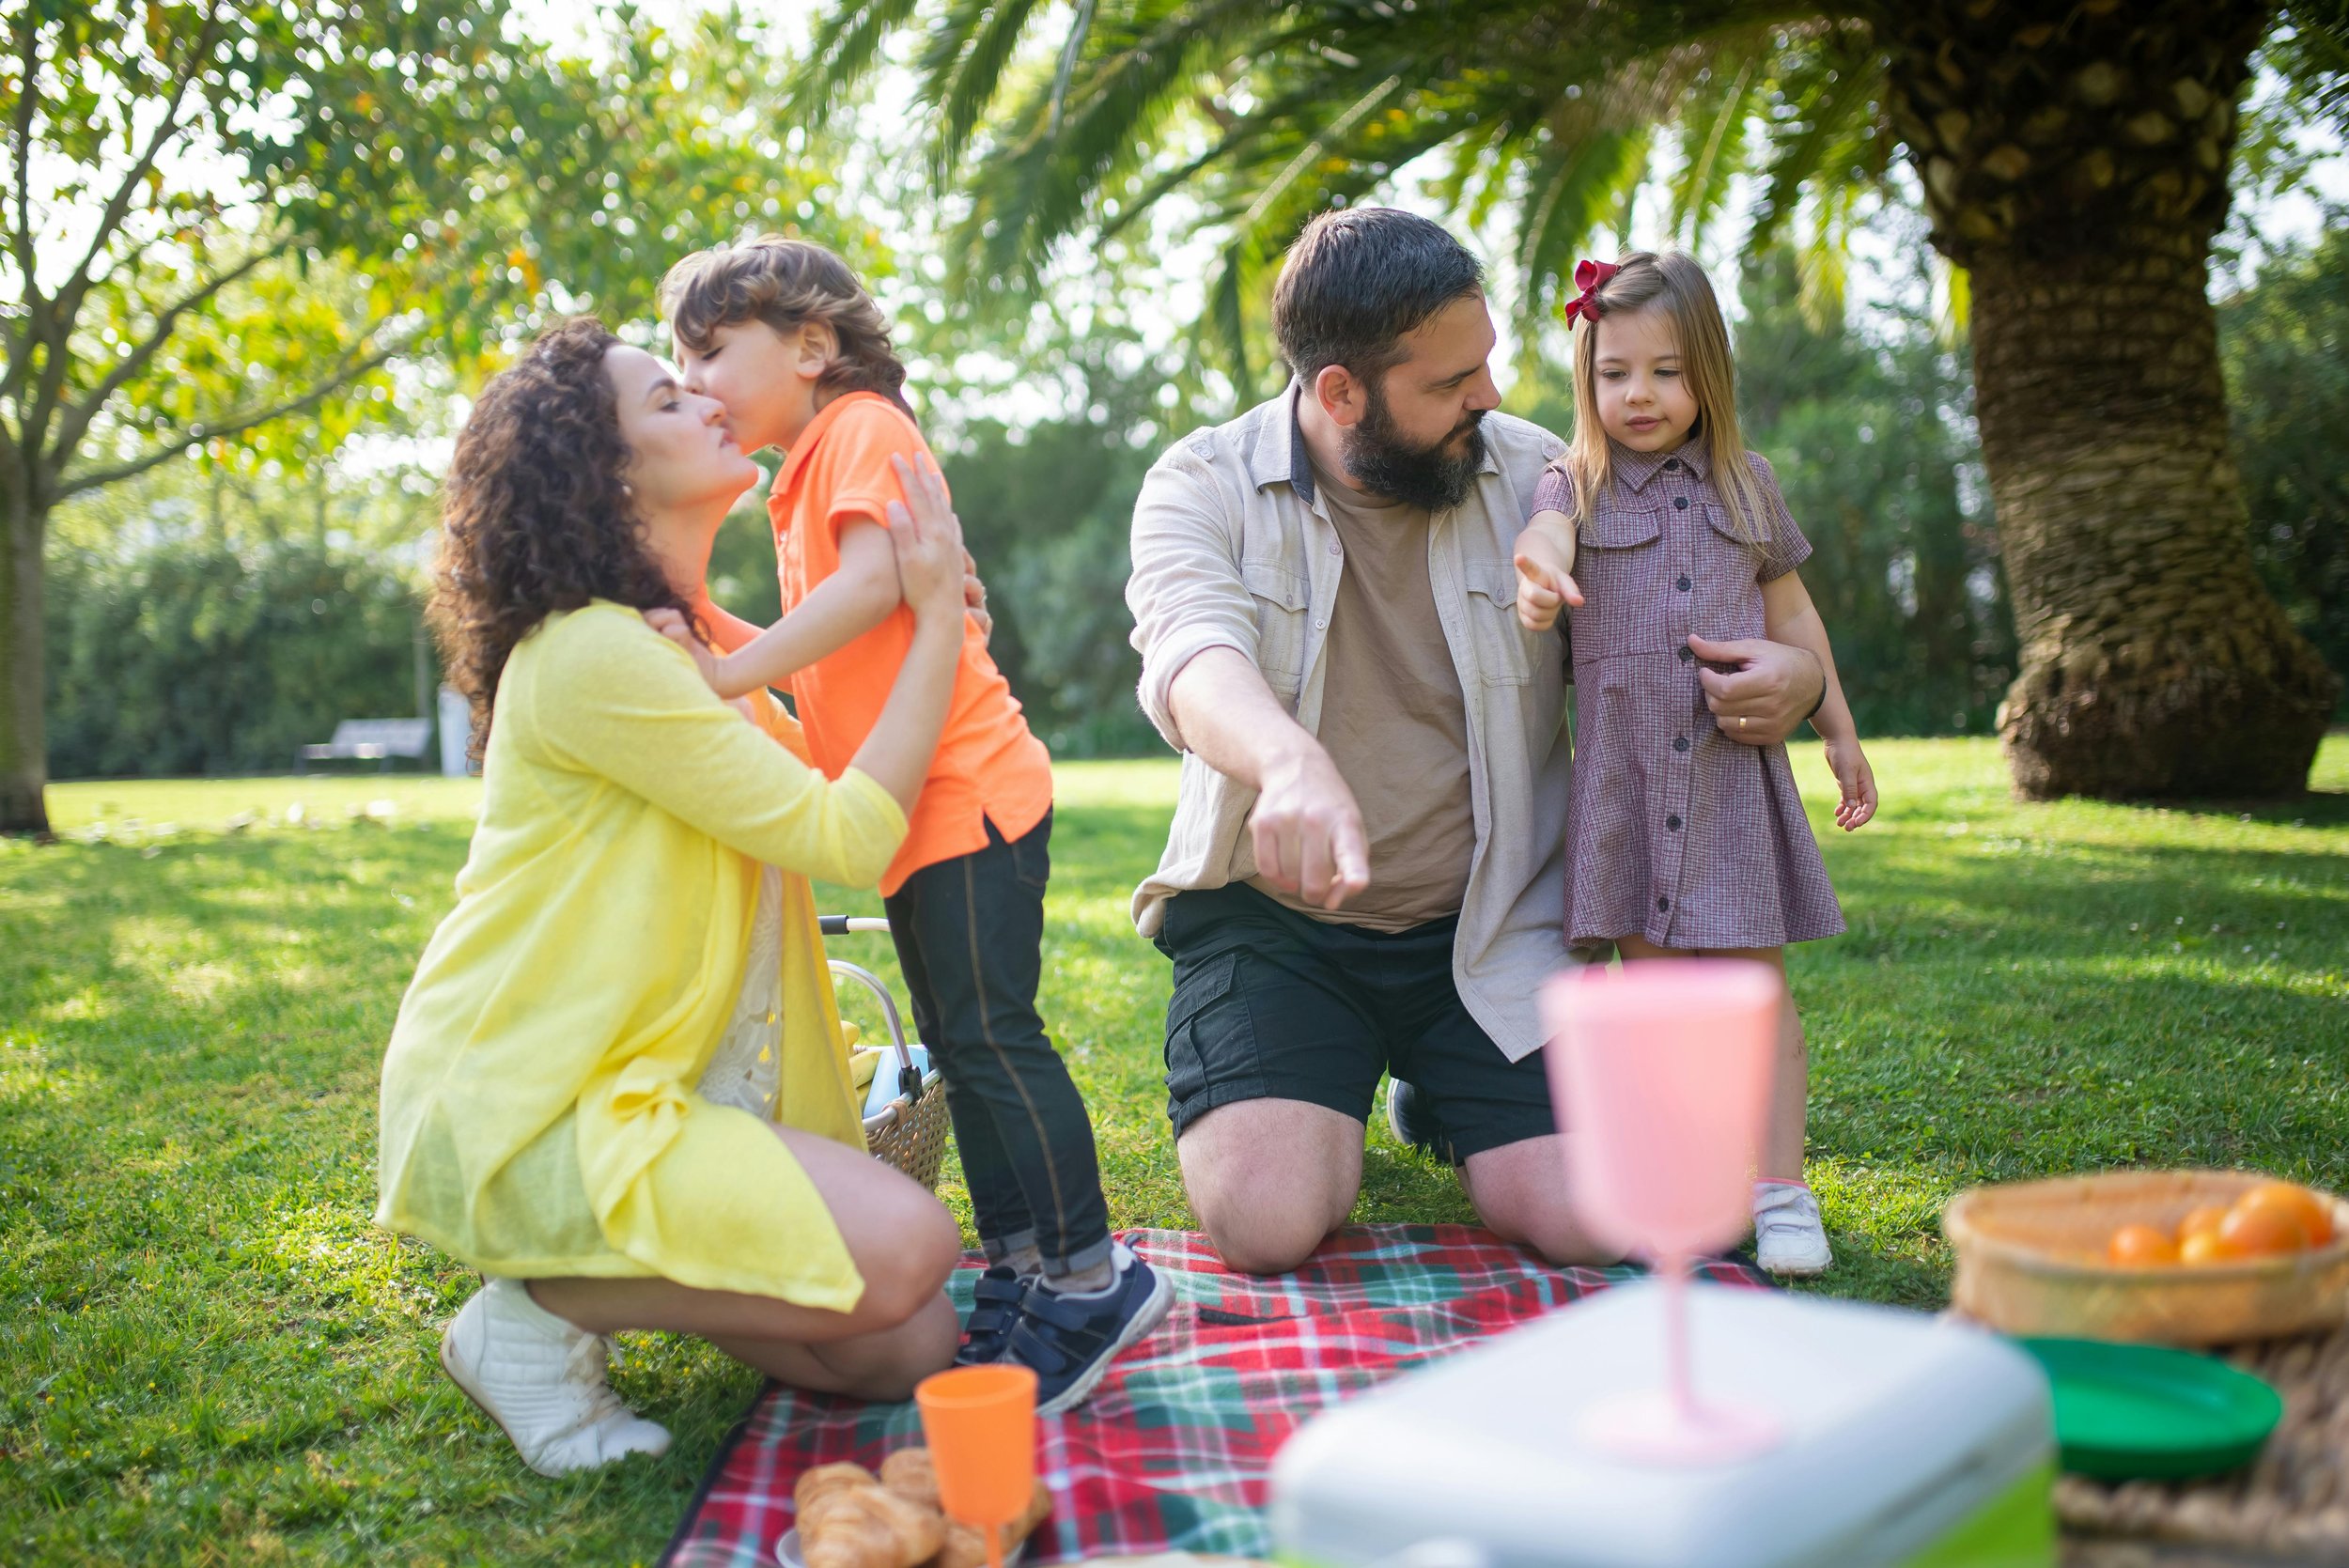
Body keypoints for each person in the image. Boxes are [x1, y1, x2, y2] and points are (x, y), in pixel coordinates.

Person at [1125, 208, 1831, 1276]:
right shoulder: (1202, 482)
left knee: (1602, 1218)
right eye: (1453, 381)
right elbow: (1188, 652)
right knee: (1267, 1219)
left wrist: (1798, 677)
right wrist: (1285, 762)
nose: (1490, 395)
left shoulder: (1545, 477)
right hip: (1276, 927)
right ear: (1340, 393)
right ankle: (1325, 1080)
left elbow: (1696, 618)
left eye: (1488, 361)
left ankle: (1440, 1090)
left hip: (1494, 930)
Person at [376, 318, 971, 1478]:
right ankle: (539, 1311)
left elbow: (820, 774)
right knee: (911, 1242)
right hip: (541, 1104)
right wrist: (938, 619)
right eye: (665, 400)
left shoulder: (679, 654)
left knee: (908, 1340)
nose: (707, 399)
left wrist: (866, 617)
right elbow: (845, 829)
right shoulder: (593, 655)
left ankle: (645, 1267)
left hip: (656, 1095)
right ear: (602, 476)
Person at [654, 236, 1169, 1414]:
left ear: (812, 345)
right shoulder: (803, 471)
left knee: (993, 1037)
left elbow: (877, 592)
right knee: (956, 1044)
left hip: (966, 798)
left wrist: (727, 675)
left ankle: (1091, 1276)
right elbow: (831, 657)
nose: (693, 382)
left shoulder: (861, 430)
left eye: (709, 351)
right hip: (910, 817)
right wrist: (705, 626)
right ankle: (1024, 1267)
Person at [1514, 252, 1878, 1276]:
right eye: (1614, 372)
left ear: (1707, 373)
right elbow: (1543, 534)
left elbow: (1793, 612)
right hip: (1626, 789)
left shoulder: (1745, 482)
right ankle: (1687, 1184)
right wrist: (1538, 571)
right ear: (1586, 379)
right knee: (1658, 1001)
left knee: (1755, 1000)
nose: (1639, 394)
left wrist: (1837, 728)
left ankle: (1780, 1188)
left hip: (1729, 782)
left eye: (1666, 371)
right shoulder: (1570, 484)